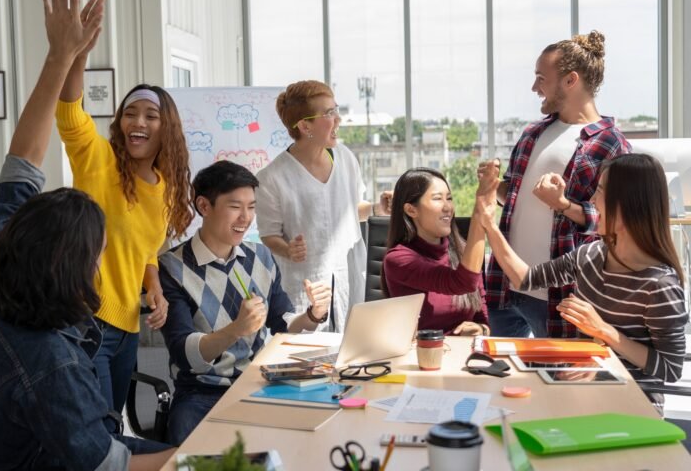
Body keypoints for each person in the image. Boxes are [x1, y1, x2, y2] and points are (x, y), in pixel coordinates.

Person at [0, 0, 175, 469]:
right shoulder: (54, 365)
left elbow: (21, 166)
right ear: (71, 270)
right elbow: (107, 463)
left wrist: (60, 53)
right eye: (96, 253)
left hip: (103, 355)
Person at [56, 1, 193, 418]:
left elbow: (144, 249)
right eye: (130, 113)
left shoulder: (164, 188)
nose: (138, 121)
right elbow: (69, 113)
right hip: (87, 321)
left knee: (112, 427)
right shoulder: (98, 160)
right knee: (98, 433)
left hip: (128, 327)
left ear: (165, 128)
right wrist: (78, 53)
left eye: (151, 115)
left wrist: (152, 284)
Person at [478, 154, 687, 391]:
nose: (593, 199)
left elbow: (671, 369)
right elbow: (525, 279)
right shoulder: (590, 255)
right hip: (583, 391)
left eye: (599, 191)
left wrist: (603, 330)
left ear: (625, 204)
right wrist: (489, 225)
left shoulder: (660, 285)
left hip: (633, 404)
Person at [159, 160, 332, 445]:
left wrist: (313, 314)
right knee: (187, 453)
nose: (246, 217)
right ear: (204, 206)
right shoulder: (172, 268)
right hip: (201, 392)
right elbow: (183, 353)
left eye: (252, 207)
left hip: (259, 383)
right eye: (235, 206)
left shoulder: (260, 257)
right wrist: (235, 330)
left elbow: (284, 322)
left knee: (312, 435)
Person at [485, 30, 631, 338]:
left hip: (560, 296)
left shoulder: (612, 145)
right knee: (496, 381)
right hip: (506, 288)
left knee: (555, 383)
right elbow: (510, 198)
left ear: (570, 80)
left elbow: (617, 224)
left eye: (541, 78)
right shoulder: (532, 134)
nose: (534, 87)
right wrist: (492, 187)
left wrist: (564, 206)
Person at [256, 80, 391, 332]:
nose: (337, 119)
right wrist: (287, 249)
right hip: (306, 281)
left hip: (349, 273)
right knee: (310, 355)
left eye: (335, 109)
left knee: (353, 347)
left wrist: (376, 208)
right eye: (328, 113)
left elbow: (347, 209)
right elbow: (269, 234)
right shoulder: (271, 178)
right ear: (305, 125)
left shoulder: (345, 157)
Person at [383, 166, 496, 336]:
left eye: (449, 198)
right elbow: (461, 283)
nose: (448, 207)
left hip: (465, 355)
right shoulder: (398, 259)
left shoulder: (463, 252)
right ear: (411, 209)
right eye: (437, 199)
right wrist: (480, 213)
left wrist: (481, 329)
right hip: (421, 356)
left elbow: (483, 318)